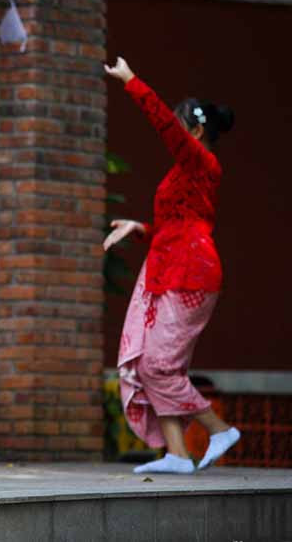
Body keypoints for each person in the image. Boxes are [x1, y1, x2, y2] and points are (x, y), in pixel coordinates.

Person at [104, 56, 240, 474]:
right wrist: (139, 227)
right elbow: (176, 225)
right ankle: (178, 455)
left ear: (196, 131)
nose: (175, 133)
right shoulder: (187, 173)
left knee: (159, 365)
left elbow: (162, 123)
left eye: (181, 127)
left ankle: (218, 429)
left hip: (190, 274)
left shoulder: (201, 162)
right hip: (169, 267)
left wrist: (132, 82)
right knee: (150, 361)